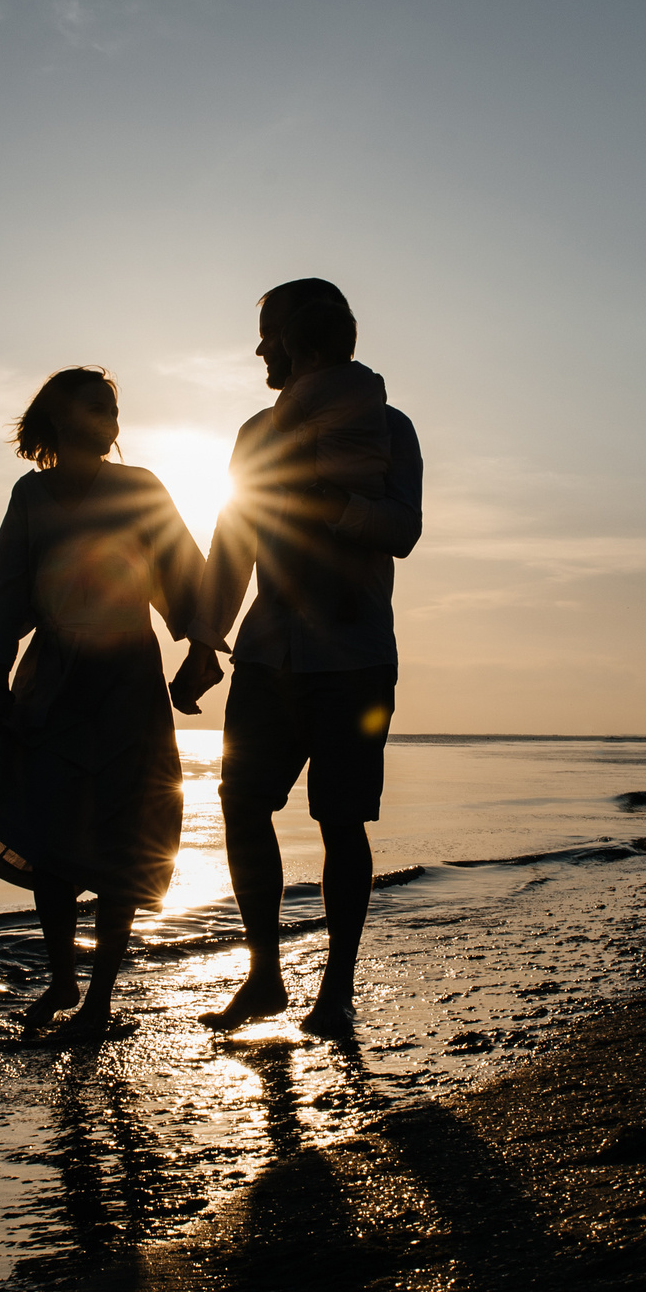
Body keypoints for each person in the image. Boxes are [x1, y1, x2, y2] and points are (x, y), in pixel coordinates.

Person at [181, 279, 423, 1039]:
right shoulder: (256, 433)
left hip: (353, 658)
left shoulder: (391, 427)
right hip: (265, 656)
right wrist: (200, 641)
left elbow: (404, 529)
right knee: (241, 804)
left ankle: (338, 989)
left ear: (299, 338)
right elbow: (233, 541)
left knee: (341, 820)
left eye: (267, 332)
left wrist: (331, 501)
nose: (258, 348)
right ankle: (264, 975)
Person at [0, 368, 221, 1042]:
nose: (108, 417)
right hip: (53, 677)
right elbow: (6, 585)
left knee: (120, 834)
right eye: (95, 405)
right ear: (60, 417)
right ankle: (62, 977)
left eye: (112, 407)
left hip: (128, 676)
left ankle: (100, 998)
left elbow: (183, 574)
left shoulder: (141, 489)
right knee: (50, 830)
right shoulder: (31, 495)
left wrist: (200, 645)